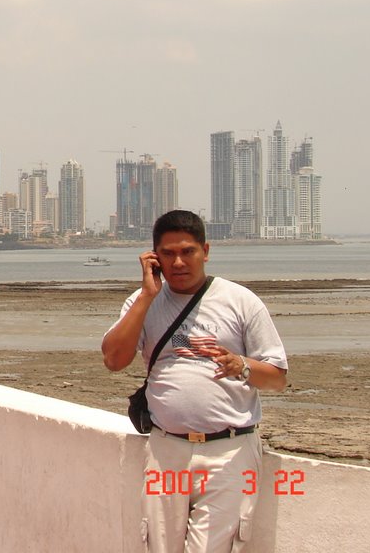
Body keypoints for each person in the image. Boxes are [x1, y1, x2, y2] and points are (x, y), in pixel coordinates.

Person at [102, 210, 288, 553]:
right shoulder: (143, 302)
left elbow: (277, 378)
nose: (178, 262)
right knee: (159, 546)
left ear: (206, 250)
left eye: (188, 251)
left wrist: (242, 366)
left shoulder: (240, 301)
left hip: (230, 452)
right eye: (168, 254)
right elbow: (114, 359)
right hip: (166, 449)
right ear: (153, 257)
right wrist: (146, 296)